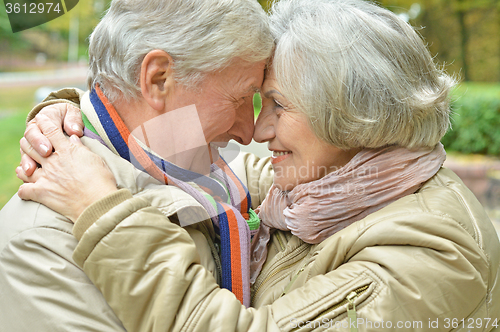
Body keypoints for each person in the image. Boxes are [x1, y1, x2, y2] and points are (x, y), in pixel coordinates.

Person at [18, 0, 500, 330]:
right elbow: (168, 146)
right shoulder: (341, 180)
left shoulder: (436, 251)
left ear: (352, 120)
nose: (255, 131)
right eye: (250, 101)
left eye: (276, 104)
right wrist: (71, 121)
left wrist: (102, 210)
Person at [0, 0, 274, 330]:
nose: (249, 132)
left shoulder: (184, 165)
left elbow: (295, 175)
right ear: (158, 79)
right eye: (242, 98)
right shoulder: (43, 246)